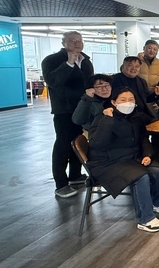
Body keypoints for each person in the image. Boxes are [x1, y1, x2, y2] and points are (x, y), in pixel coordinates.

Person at [87, 87, 159, 233]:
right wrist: (108, 119)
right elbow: (97, 144)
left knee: (157, 170)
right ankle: (145, 219)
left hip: (131, 159)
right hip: (107, 163)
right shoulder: (102, 118)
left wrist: (147, 154)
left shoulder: (136, 118)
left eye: (131, 100)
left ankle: (158, 202)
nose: (128, 103)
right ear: (113, 102)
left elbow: (143, 139)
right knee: (141, 177)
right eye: (123, 100)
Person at [42, 31, 94, 198]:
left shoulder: (85, 60)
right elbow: (53, 82)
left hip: (83, 107)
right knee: (63, 144)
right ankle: (61, 183)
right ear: (63, 43)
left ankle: (75, 175)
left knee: (78, 141)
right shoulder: (52, 60)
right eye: (72, 40)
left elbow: (89, 82)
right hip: (64, 109)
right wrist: (69, 63)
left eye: (79, 40)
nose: (77, 43)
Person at [112, 56, 159, 159]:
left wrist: (156, 94)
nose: (134, 68)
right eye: (130, 65)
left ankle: (155, 158)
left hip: (141, 114)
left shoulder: (141, 81)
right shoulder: (114, 80)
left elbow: (147, 98)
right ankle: (139, 156)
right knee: (140, 133)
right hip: (125, 116)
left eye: (137, 66)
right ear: (123, 66)